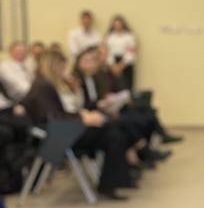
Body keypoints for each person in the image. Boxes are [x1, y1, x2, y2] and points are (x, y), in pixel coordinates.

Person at [22, 51, 138, 200]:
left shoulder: (44, 84)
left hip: (62, 131)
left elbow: (58, 114)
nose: (63, 71)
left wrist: (83, 116)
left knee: (113, 130)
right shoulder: (43, 86)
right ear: (53, 66)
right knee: (113, 133)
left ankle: (113, 183)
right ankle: (112, 183)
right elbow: (54, 117)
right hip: (59, 136)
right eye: (61, 67)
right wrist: (83, 119)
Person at [105, 15, 138, 91]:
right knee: (113, 88)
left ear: (123, 25)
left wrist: (121, 65)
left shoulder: (129, 36)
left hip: (125, 64)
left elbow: (131, 52)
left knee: (126, 88)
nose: (118, 26)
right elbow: (107, 52)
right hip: (112, 64)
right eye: (116, 24)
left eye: (119, 24)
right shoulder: (109, 37)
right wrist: (113, 66)